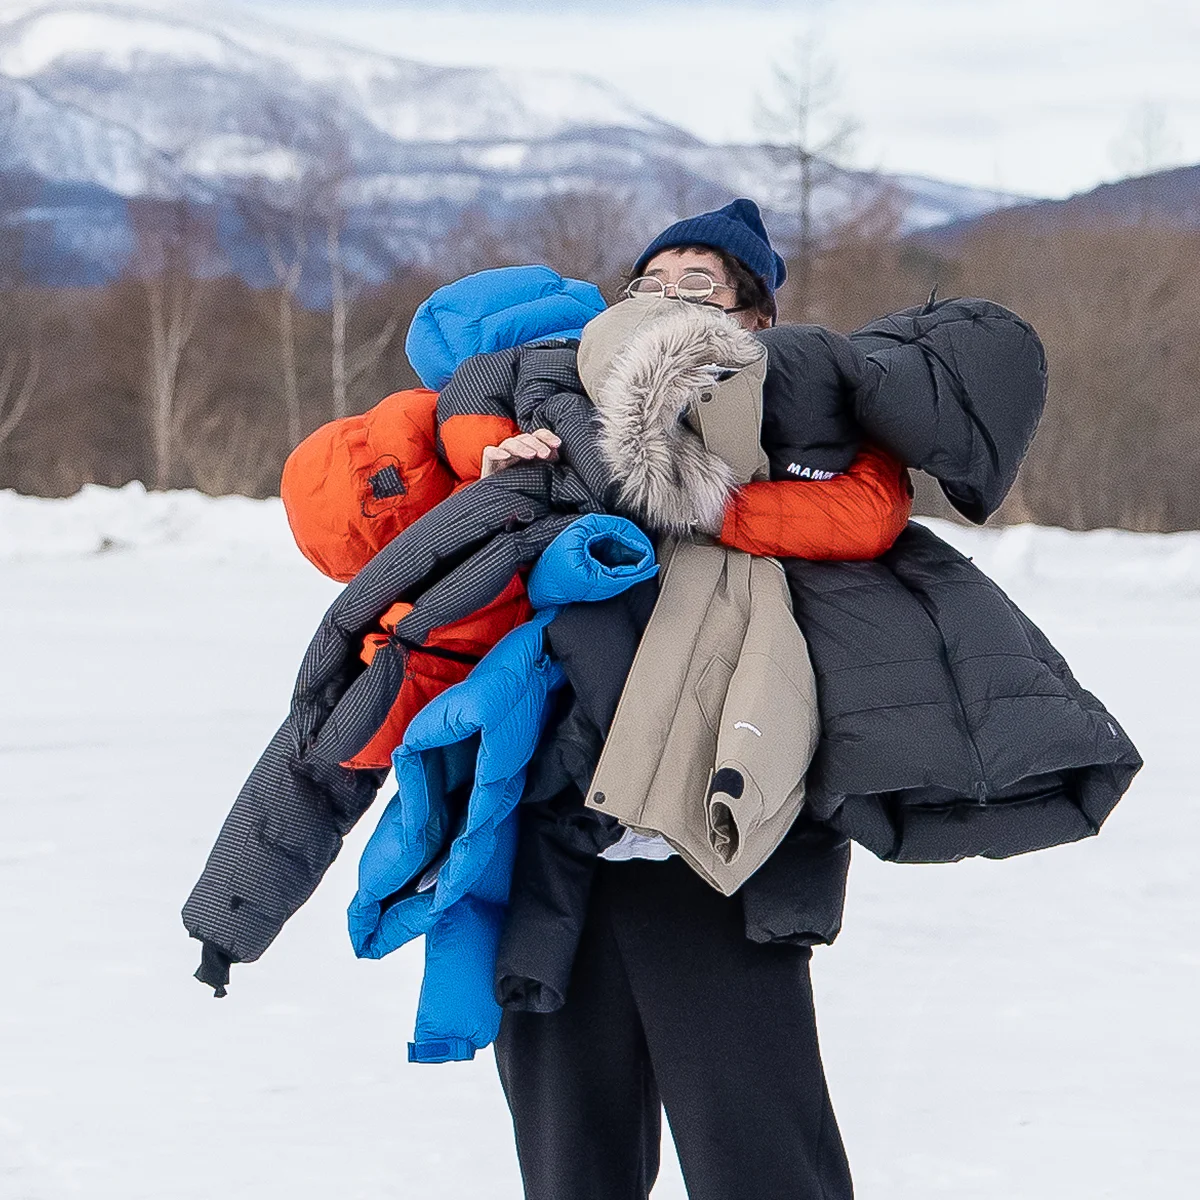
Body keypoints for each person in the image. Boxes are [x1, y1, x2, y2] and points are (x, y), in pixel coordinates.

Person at [486, 198, 878, 1200]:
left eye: (699, 282)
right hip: (563, 854)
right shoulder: (556, 430)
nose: (667, 295)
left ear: (752, 321)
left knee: (763, 1163)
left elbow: (870, 518)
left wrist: (730, 506)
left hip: (714, 863)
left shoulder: (800, 439)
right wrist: (499, 487)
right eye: (651, 282)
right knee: (572, 1168)